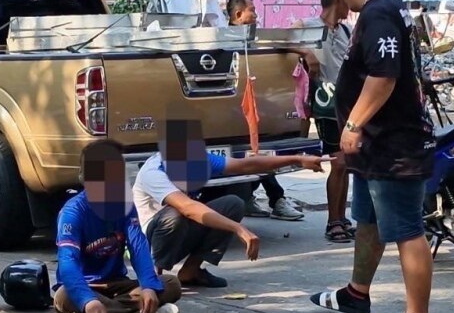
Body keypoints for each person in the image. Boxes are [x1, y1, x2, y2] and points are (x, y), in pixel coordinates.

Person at [308, 0, 438, 313]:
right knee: (367, 219)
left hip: (392, 143)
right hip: (373, 145)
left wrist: (352, 123)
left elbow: (383, 77)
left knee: (406, 229)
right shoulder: (389, 9)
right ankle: (356, 292)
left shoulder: (380, 13)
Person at [135, 118, 327, 288]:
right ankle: (152, 278)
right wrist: (239, 229)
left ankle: (191, 271)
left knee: (232, 204)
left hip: (182, 232)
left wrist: (298, 159)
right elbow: (188, 208)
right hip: (148, 241)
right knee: (174, 214)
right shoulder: (153, 172)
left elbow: (246, 165)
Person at [54, 141, 182, 313]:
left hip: (118, 284)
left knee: (171, 284)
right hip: (85, 285)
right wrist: (87, 300)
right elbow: (67, 263)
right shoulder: (72, 213)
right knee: (64, 297)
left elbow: (138, 247)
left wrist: (147, 285)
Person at [226, 0, 305, 222]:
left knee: (259, 149)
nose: (257, 15)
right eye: (253, 10)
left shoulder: (254, 39)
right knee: (258, 152)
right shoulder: (225, 39)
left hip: (251, 109)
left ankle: (254, 197)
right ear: (239, 14)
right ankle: (277, 199)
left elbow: (279, 43)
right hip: (233, 111)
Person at [293, 0, 354, 242]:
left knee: (345, 164)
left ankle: (341, 217)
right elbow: (280, 41)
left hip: (349, 103)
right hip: (327, 105)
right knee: (338, 162)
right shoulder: (306, 27)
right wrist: (306, 53)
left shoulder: (346, 31)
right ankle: (333, 221)